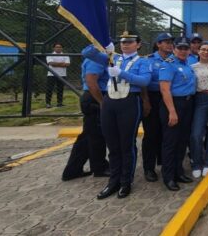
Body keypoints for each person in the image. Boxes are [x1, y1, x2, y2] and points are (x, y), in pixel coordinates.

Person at [83, 31, 151, 199]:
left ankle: (126, 181)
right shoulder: (112, 57)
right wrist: (101, 43)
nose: (125, 44)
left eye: (130, 42)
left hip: (129, 102)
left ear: (138, 44)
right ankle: (113, 182)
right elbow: (87, 53)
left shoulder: (142, 61)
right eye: (122, 42)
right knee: (112, 145)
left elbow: (144, 81)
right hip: (110, 102)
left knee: (126, 144)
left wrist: (121, 73)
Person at [62, 46, 109, 181]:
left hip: (93, 97)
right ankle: (99, 168)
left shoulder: (98, 57)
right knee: (96, 136)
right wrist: (102, 102)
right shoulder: (97, 59)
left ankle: (72, 170)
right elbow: (91, 81)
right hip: (94, 97)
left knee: (87, 136)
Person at [159, 37, 196, 191]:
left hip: (188, 104)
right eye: (180, 48)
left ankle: (178, 172)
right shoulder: (168, 65)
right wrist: (172, 112)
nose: (183, 51)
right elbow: (165, 89)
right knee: (170, 142)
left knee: (182, 141)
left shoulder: (188, 64)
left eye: (185, 48)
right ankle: (168, 177)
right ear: (174, 49)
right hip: (174, 105)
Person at [140, 33, 173, 183]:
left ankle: (164, 163)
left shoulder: (174, 59)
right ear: (158, 44)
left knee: (166, 133)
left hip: (170, 98)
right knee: (151, 134)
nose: (169, 45)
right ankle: (149, 168)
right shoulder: (148, 60)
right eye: (165, 42)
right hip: (153, 98)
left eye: (170, 42)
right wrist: (146, 100)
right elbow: (144, 83)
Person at [190, 42, 208, 179]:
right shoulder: (192, 67)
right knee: (196, 134)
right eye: (203, 50)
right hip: (200, 99)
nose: (206, 52)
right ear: (199, 51)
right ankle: (196, 163)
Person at [45, 42, 70, 108]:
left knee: (60, 89)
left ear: (62, 48)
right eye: (57, 47)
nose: (58, 48)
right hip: (51, 74)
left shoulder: (66, 55)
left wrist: (56, 64)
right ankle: (48, 103)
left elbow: (67, 64)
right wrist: (62, 64)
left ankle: (59, 103)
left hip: (62, 74)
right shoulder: (50, 55)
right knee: (49, 89)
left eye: (60, 47)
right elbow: (51, 63)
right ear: (54, 48)